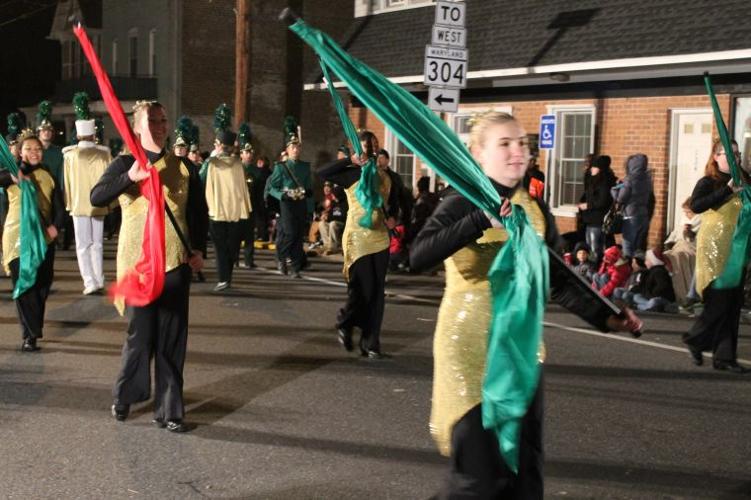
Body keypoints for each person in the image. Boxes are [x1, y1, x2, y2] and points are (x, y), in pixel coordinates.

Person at [408, 112, 641, 498]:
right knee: (478, 482)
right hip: (472, 353)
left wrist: (607, 316)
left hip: (521, 351)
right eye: (505, 144)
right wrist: (480, 219)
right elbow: (419, 256)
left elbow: (556, 279)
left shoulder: (533, 208)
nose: (518, 151)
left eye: (522, 143)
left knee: (524, 479)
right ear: (478, 153)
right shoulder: (460, 201)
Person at [90, 100, 208, 431]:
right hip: (137, 267)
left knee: (171, 340)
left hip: (174, 263)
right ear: (137, 127)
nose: (158, 125)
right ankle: (126, 394)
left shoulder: (185, 167)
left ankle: (169, 410)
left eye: (162, 120)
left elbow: (197, 214)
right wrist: (130, 176)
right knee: (140, 337)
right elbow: (96, 197)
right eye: (151, 120)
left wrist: (198, 248)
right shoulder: (125, 163)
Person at [317, 130, 403, 359]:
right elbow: (321, 172)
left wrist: (394, 218)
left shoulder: (386, 177)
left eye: (374, 144)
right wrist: (349, 160)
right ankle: (345, 322)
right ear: (357, 149)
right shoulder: (351, 173)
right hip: (358, 237)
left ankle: (371, 344)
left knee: (377, 293)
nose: (371, 148)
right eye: (366, 145)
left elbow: (394, 205)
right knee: (361, 289)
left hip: (380, 236)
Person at [683, 139, 749, 374]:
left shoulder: (745, 181)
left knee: (732, 303)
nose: (735, 158)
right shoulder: (708, 182)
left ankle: (724, 358)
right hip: (714, 247)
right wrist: (727, 190)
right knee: (720, 299)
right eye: (728, 153)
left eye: (737, 153)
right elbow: (697, 205)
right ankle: (696, 338)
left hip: (737, 247)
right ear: (716, 157)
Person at [0, 132, 64, 352]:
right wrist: (13, 177)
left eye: (37, 149)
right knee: (25, 284)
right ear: (20, 152)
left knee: (43, 284)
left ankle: (33, 327)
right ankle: (29, 335)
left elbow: (59, 206)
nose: (34, 152)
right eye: (29, 149)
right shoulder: (11, 173)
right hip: (17, 237)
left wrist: (57, 226)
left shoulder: (48, 175)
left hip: (45, 238)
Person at [62, 110, 112, 295]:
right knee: (97, 243)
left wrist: (68, 202)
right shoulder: (104, 153)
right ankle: (98, 279)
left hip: (78, 203)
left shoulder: (69, 154)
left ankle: (89, 281)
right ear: (93, 134)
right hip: (99, 203)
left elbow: (66, 182)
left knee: (83, 245)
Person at [204, 129, 251, 291]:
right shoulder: (238, 164)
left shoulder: (212, 164)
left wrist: (210, 207)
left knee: (221, 247)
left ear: (220, 146)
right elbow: (243, 190)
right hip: (236, 212)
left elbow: (206, 185)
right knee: (231, 246)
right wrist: (246, 209)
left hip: (218, 212)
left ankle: (224, 278)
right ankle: (227, 277)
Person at [267, 130, 313, 278]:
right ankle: (281, 257)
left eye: (298, 147)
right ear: (287, 150)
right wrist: (281, 195)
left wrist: (310, 204)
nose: (295, 150)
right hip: (286, 204)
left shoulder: (305, 167)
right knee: (290, 234)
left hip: (300, 203)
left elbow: (308, 187)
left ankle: (295, 268)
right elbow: (271, 188)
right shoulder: (281, 167)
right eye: (292, 147)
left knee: (299, 236)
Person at [611, 154, 653, 259]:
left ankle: (629, 272)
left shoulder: (629, 179)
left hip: (631, 217)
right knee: (638, 249)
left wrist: (614, 190)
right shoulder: (648, 179)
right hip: (644, 216)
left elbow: (621, 199)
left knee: (628, 248)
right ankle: (638, 271)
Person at [578, 155, 615, 262]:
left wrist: (588, 205)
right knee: (590, 247)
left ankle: (595, 267)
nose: (591, 169)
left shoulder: (604, 182)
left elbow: (602, 201)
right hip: (590, 219)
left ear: (599, 168)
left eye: (593, 167)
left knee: (595, 250)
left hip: (598, 220)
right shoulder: (593, 180)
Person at [318, 181, 346, 254]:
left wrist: (331, 218)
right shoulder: (334, 203)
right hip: (334, 222)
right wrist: (325, 217)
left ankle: (333, 247)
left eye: (334, 194)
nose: (332, 195)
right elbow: (330, 215)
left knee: (333, 224)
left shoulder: (344, 203)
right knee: (322, 223)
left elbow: (343, 217)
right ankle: (326, 245)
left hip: (342, 223)